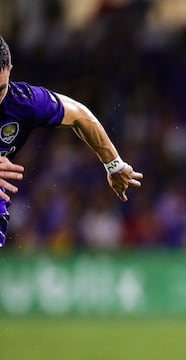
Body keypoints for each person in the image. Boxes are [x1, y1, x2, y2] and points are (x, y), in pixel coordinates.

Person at [0, 35, 143, 248]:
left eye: (0, 89)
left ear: (10, 69)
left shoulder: (23, 102)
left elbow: (79, 115)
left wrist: (114, 165)